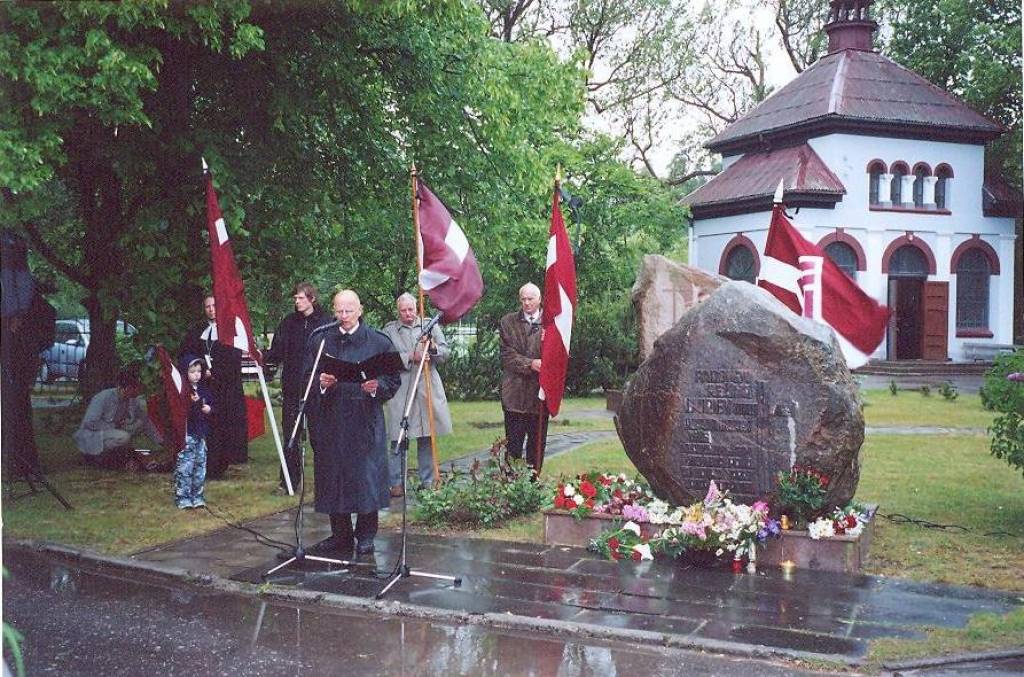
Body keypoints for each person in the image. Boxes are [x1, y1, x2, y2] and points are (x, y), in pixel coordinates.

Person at [303, 289, 400, 557]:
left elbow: (392, 380)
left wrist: (375, 387)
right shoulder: (320, 340)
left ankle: (366, 535)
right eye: (339, 311)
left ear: (360, 310)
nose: (344, 316)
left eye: (349, 310)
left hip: (364, 420)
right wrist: (321, 385)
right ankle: (340, 534)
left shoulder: (379, 341)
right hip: (332, 420)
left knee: (365, 477)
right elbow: (306, 376)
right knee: (336, 475)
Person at [264, 282, 331, 494]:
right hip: (292, 387)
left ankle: (325, 483)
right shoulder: (289, 323)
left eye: (301, 298)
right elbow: (276, 352)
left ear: (312, 299)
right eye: (295, 298)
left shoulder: (326, 323)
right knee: (290, 436)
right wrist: (263, 358)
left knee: (320, 437)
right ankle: (288, 482)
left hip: (317, 388)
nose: (297, 301)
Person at [382, 293, 453, 495]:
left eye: (411, 309)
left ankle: (428, 481)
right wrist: (409, 356)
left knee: (426, 435)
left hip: (427, 386)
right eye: (403, 310)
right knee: (398, 436)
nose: (408, 314)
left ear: (417, 308)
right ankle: (395, 483)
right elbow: (385, 358)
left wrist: (433, 348)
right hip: (402, 388)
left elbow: (446, 353)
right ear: (398, 311)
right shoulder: (389, 331)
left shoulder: (429, 325)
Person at [1, 231, 56, 476]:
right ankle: (19, 463)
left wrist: (16, 322)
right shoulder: (20, 281)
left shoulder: (21, 282)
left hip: (17, 354)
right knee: (15, 404)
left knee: (15, 405)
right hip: (17, 353)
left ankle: (20, 463)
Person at [179, 295, 247, 478]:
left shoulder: (228, 331)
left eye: (214, 305)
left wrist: (215, 371)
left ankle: (220, 465)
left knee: (222, 425)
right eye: (207, 306)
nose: (211, 309)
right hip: (203, 386)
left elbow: (233, 359)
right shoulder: (197, 331)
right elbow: (187, 353)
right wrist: (199, 368)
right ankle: (204, 464)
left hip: (223, 387)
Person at [73, 366, 165, 469]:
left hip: (113, 431)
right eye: (136, 388)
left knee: (139, 424)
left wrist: (160, 442)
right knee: (124, 436)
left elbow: (145, 420)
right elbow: (90, 423)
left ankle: (119, 454)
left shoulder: (132, 400)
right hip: (93, 435)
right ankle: (94, 456)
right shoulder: (103, 397)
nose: (138, 391)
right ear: (127, 388)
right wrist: (113, 426)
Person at [499, 282, 549, 470]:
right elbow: (507, 356)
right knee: (513, 447)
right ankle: (512, 486)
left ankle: (534, 485)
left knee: (536, 447)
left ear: (539, 299)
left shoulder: (551, 323)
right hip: (514, 396)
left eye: (531, 299)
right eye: (523, 299)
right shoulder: (507, 322)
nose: (527, 303)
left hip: (540, 396)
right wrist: (531, 364)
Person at [174, 356, 215, 509]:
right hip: (188, 434)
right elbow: (184, 411)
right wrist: (196, 403)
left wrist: (209, 409)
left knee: (200, 466)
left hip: (201, 434)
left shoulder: (204, 389)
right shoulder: (183, 391)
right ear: (186, 373)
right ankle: (183, 497)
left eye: (199, 371)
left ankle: (197, 495)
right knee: (186, 466)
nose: (197, 374)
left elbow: (212, 404)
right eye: (193, 371)